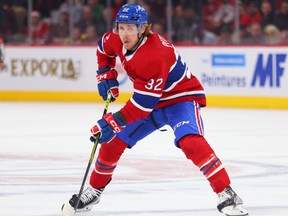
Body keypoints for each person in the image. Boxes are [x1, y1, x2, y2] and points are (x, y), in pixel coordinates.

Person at [65, 4, 249, 216]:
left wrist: (112, 121)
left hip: (179, 98)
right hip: (151, 100)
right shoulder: (115, 38)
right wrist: (105, 74)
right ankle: (95, 190)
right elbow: (102, 50)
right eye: (121, 27)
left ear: (142, 28)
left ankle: (227, 193)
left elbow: (142, 106)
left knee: (190, 141)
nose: (124, 34)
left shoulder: (154, 55)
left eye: (130, 28)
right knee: (112, 142)